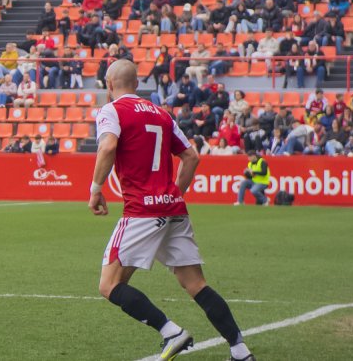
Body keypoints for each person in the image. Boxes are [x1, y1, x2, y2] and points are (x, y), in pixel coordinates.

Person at [89, 59, 254, 361]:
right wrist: (173, 194)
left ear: (109, 85)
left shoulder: (111, 110)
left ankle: (171, 332)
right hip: (173, 207)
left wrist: (96, 188)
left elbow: (108, 146)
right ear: (136, 84)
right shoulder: (161, 114)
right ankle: (240, 350)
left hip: (141, 210)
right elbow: (191, 157)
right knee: (196, 284)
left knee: (109, 285)